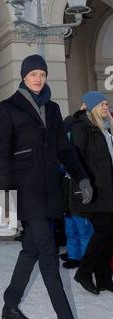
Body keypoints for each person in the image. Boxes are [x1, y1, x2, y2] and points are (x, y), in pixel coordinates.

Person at [0, 54, 96, 319]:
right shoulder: (8, 108)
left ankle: (10, 304)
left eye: (42, 73)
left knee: (31, 251)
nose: (38, 78)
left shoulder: (52, 109)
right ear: (23, 76)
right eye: (32, 73)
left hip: (50, 190)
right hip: (26, 192)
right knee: (48, 256)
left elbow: (65, 150)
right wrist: (5, 195)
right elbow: (1, 153)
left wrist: (83, 177)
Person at [71, 91, 113, 294]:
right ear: (94, 106)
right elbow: (76, 157)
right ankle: (84, 272)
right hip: (96, 188)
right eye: (103, 104)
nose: (107, 107)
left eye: (107, 104)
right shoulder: (82, 127)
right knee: (103, 231)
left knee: (109, 233)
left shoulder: (105, 129)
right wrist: (85, 184)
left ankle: (104, 277)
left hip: (109, 188)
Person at [61, 116, 94, 269]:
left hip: (80, 194)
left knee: (84, 230)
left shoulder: (85, 147)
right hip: (68, 197)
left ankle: (86, 260)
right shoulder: (63, 149)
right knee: (71, 229)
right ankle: (74, 256)